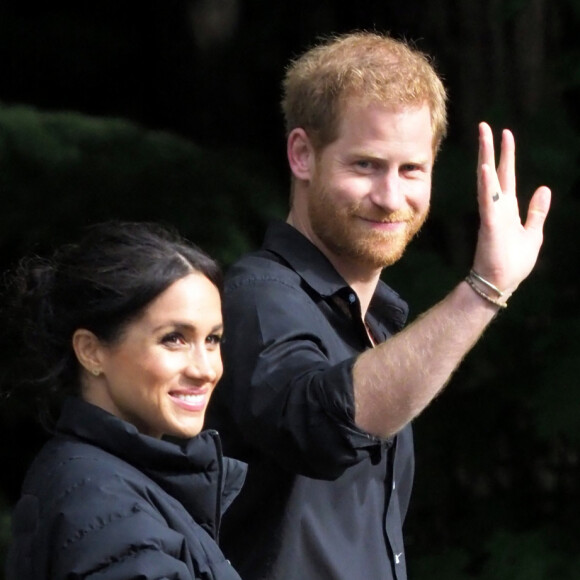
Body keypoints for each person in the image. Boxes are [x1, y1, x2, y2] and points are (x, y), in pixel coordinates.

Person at [205, 31, 552, 580]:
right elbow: (324, 425)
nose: (391, 197)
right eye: (365, 165)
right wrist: (485, 288)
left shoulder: (376, 324)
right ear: (302, 154)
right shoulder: (257, 297)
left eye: (411, 169)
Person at [3, 221, 246, 580]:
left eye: (212, 339)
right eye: (174, 339)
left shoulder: (116, 484)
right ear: (91, 351)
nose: (205, 369)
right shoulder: (103, 504)